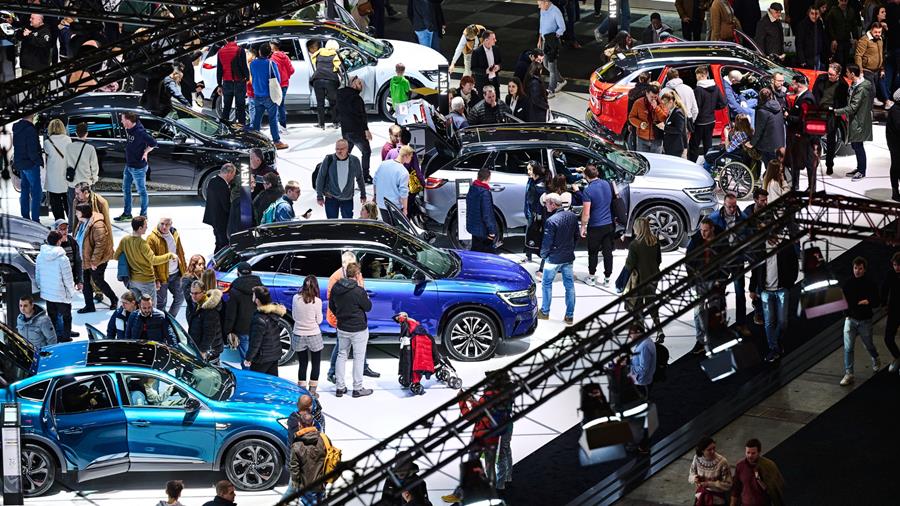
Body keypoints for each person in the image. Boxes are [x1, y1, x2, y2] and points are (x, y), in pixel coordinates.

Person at [326, 252, 379, 382]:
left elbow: (361, 290)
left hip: (355, 316)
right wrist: (340, 316)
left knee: (360, 344)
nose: (354, 267)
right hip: (341, 317)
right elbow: (331, 299)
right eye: (351, 264)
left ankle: (364, 368)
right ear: (344, 264)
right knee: (341, 347)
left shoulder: (356, 273)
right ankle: (332, 372)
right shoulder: (336, 277)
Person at [330, 262, 374, 397]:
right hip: (358, 329)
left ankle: (339, 387)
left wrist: (340, 315)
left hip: (342, 327)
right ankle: (357, 388)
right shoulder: (359, 291)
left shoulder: (336, 288)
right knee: (358, 358)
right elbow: (368, 307)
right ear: (356, 275)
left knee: (341, 355)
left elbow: (332, 306)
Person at [537, 193, 579, 325]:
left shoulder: (551, 221)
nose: (545, 206)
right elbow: (576, 236)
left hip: (553, 259)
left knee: (546, 284)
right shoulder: (572, 216)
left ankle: (544, 312)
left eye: (546, 203)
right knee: (569, 286)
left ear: (553, 204)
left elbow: (547, 242)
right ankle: (569, 316)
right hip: (568, 257)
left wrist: (543, 256)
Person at [621, 217, 664, 340]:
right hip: (653, 277)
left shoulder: (634, 245)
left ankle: (642, 333)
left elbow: (630, 265)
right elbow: (658, 260)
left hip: (639, 280)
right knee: (651, 304)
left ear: (638, 228)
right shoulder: (655, 241)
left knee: (637, 307)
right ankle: (659, 329)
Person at [840, 256, 882, 385]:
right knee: (848, 348)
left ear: (864, 270)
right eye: (855, 268)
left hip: (865, 320)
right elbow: (843, 301)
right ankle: (849, 373)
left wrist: (868, 301)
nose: (857, 271)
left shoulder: (871, 284)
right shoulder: (848, 284)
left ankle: (875, 358)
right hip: (850, 319)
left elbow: (877, 301)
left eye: (860, 268)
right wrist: (846, 315)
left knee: (868, 344)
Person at [686, 219, 725, 354]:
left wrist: (722, 278)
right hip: (700, 281)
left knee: (715, 311)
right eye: (701, 230)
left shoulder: (721, 240)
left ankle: (714, 339)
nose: (703, 233)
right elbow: (689, 261)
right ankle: (701, 340)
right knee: (698, 312)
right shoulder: (696, 241)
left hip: (715, 281)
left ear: (712, 229)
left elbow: (727, 260)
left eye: (706, 230)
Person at [115, 216, 175, 301]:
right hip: (146, 281)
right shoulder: (143, 244)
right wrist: (169, 255)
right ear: (140, 228)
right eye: (145, 225)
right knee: (150, 308)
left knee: (138, 308)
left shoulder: (124, 240)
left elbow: (116, 256)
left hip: (132, 281)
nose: (146, 227)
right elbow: (153, 260)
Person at [74, 203, 117, 313]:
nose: (76, 214)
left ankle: (113, 299)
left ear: (83, 213)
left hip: (97, 261)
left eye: (78, 212)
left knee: (98, 281)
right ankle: (89, 306)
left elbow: (100, 245)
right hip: (85, 258)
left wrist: (94, 261)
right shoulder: (83, 222)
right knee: (86, 283)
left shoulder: (98, 226)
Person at [114, 112, 156, 222]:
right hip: (129, 165)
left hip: (138, 168)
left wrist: (146, 152)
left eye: (123, 119)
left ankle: (144, 215)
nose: (121, 121)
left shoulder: (140, 132)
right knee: (126, 189)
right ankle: (127, 214)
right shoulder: (130, 128)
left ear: (128, 120)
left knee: (141, 191)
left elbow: (153, 143)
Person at [35, 231, 76, 343]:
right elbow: (68, 278)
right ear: (58, 241)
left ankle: (56, 337)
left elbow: (38, 275)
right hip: (61, 294)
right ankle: (66, 337)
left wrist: (41, 287)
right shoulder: (63, 258)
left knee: (52, 317)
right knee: (67, 316)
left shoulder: (40, 256)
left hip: (48, 293)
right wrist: (72, 291)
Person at [837, 64, 875, 181]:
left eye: (847, 72)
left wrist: (836, 111)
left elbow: (853, 107)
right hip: (855, 120)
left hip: (860, 121)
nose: (846, 74)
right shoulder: (856, 84)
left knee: (858, 146)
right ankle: (859, 168)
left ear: (853, 74)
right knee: (856, 145)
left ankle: (862, 171)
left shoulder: (862, 88)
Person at [580, 165, 615, 286]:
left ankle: (592, 277)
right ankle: (607, 279)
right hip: (609, 224)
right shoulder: (606, 184)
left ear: (586, 176)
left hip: (595, 226)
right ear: (597, 173)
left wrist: (583, 227)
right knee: (608, 253)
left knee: (593, 252)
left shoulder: (588, 191)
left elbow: (586, 213)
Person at [813, 63, 850, 175]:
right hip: (819, 112)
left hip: (832, 114)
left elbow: (843, 103)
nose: (829, 76)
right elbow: (815, 94)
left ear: (838, 74)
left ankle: (829, 165)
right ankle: (813, 162)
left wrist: (834, 110)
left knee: (830, 140)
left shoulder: (843, 85)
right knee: (814, 138)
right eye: (828, 73)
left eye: (832, 75)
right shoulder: (821, 78)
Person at [249, 42, 288, 149]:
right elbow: (278, 80)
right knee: (272, 119)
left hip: (257, 95)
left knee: (257, 118)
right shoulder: (271, 64)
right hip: (270, 96)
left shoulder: (252, 64)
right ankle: (276, 141)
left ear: (260, 52)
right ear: (269, 53)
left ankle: (255, 140)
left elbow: (252, 76)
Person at [146, 217, 187, 317]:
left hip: (176, 274)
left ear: (171, 224)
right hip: (162, 277)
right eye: (162, 224)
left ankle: (169, 321)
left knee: (180, 298)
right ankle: (160, 323)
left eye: (167, 224)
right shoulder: (151, 238)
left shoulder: (175, 235)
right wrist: (155, 279)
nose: (164, 227)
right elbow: (150, 261)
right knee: (161, 303)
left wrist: (184, 271)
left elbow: (180, 253)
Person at [316, 139, 367, 219]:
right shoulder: (329, 159)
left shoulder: (354, 160)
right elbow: (321, 177)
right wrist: (319, 196)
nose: (339, 151)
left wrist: (363, 194)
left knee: (347, 224)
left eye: (342, 149)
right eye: (337, 149)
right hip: (331, 197)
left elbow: (360, 178)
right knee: (332, 225)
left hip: (347, 198)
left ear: (347, 149)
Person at [337, 76, 374, 182]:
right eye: (359, 83)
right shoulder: (357, 98)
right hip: (357, 130)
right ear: (352, 84)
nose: (361, 86)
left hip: (345, 130)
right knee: (366, 152)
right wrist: (366, 130)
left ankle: (342, 174)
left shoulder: (340, 96)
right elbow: (361, 115)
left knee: (345, 153)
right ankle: (365, 176)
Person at [293, 275, 324, 396]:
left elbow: (295, 317)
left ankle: (302, 390)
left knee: (302, 363)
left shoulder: (296, 298)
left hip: (298, 334)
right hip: (313, 334)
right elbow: (319, 321)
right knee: (316, 363)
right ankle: (312, 391)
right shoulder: (317, 301)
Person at [244, 286, 285, 376]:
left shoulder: (259, 319)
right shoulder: (273, 313)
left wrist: (248, 358)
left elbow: (255, 342)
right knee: (272, 383)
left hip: (262, 359)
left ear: (257, 300)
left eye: (253, 296)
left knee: (257, 384)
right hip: (274, 355)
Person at [689, 66, 727, 162]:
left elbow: (696, 108)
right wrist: (713, 108)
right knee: (708, 144)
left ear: (702, 75)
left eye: (697, 76)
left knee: (694, 145)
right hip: (711, 120)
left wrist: (691, 120)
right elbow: (723, 103)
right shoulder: (716, 87)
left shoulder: (698, 90)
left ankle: (691, 164)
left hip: (699, 122)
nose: (696, 78)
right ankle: (708, 164)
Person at [288, 412, 327, 504]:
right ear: (313, 423)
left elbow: (294, 468)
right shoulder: (324, 439)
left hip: (306, 485)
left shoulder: (297, 445)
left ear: (299, 424)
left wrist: (295, 484)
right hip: (322, 482)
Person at [65, 122, 100, 220]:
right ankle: (86, 228)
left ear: (76, 133)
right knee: (87, 209)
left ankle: (72, 228)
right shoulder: (90, 148)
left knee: (72, 208)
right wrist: (94, 179)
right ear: (86, 133)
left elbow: (65, 164)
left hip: (72, 183)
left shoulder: (68, 147)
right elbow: (94, 166)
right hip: (86, 184)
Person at [12, 113, 42, 222]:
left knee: (25, 190)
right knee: (36, 192)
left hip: (21, 164)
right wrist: (38, 161)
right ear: (33, 115)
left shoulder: (17, 128)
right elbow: (32, 150)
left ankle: (25, 217)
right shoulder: (30, 129)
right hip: (30, 164)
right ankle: (35, 220)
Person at [856, 22, 893, 108]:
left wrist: (882, 69)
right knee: (871, 91)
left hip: (877, 70)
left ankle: (871, 110)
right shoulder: (864, 40)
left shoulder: (880, 40)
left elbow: (881, 54)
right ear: (871, 30)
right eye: (875, 32)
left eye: (879, 32)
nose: (877, 34)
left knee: (875, 90)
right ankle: (868, 113)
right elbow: (858, 56)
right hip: (866, 70)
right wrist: (860, 71)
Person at [747, 88, 786, 168]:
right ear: (771, 96)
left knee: (769, 167)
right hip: (779, 142)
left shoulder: (762, 111)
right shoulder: (778, 106)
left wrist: (752, 143)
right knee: (777, 166)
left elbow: (759, 131)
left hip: (768, 145)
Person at [217, 35, 250, 126]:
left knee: (226, 107)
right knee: (240, 107)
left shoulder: (220, 52)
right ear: (235, 38)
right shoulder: (240, 50)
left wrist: (219, 84)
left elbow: (219, 70)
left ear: (226, 39)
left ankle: (224, 128)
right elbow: (244, 66)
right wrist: (247, 78)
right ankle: (241, 128)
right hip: (239, 81)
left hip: (227, 82)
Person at [187, 281, 224, 363]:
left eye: (196, 293)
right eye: (192, 293)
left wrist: (203, 350)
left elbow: (210, 333)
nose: (193, 296)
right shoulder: (196, 304)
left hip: (209, 350)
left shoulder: (210, 310)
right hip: (200, 346)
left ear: (203, 292)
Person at [689, 437, 733, 505]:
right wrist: (695, 478)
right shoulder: (697, 458)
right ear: (702, 451)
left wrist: (710, 484)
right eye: (709, 450)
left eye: (714, 448)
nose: (713, 451)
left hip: (717, 500)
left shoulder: (722, 462)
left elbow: (728, 484)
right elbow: (691, 473)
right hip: (701, 497)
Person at [43, 119, 72, 220]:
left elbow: (47, 155)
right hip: (65, 174)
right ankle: (70, 221)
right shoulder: (68, 140)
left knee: (55, 201)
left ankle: (60, 222)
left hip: (53, 175)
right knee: (67, 200)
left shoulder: (47, 142)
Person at [52, 221, 84, 313]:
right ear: (56, 230)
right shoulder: (53, 243)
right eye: (61, 229)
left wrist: (79, 280)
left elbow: (78, 262)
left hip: (69, 278)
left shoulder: (72, 241)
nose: (64, 231)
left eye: (65, 229)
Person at [203, 163, 236, 253]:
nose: (233, 178)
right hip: (221, 220)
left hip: (214, 218)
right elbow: (226, 206)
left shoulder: (212, 181)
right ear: (229, 173)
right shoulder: (222, 186)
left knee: (218, 242)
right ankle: (218, 262)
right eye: (233, 175)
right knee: (223, 244)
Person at [373, 146, 411, 221]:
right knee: (400, 230)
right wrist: (405, 209)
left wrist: (375, 195)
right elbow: (404, 193)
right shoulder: (404, 172)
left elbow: (375, 181)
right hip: (394, 206)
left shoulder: (383, 164)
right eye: (411, 156)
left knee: (387, 227)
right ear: (406, 156)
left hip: (381, 203)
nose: (411, 158)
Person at [466, 167, 498, 254]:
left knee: (475, 252)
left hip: (474, 228)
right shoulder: (485, 193)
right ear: (488, 178)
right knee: (487, 256)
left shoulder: (472, 188)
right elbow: (487, 214)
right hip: (483, 231)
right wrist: (492, 231)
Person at [628, 84, 667, 154]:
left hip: (657, 139)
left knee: (656, 161)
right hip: (642, 138)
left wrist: (656, 108)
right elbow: (631, 117)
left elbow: (664, 119)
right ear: (647, 93)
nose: (653, 99)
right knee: (642, 161)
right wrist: (640, 124)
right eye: (651, 96)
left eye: (655, 97)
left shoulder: (661, 103)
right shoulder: (638, 103)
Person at [538, 0, 566, 94]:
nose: (539, 6)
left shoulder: (556, 11)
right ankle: (561, 80)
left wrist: (554, 37)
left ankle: (551, 89)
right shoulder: (542, 10)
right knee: (545, 64)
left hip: (553, 42)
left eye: (540, 4)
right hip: (545, 41)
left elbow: (562, 27)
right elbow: (541, 24)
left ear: (546, 2)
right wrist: (540, 39)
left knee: (551, 65)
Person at [524, 162, 548, 263]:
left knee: (539, 236)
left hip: (538, 214)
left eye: (530, 169)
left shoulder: (541, 184)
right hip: (530, 212)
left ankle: (542, 258)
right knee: (529, 234)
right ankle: (528, 255)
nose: (528, 172)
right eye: (527, 169)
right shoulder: (530, 181)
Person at [270, 38, 295, 131]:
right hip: (285, 84)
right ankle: (283, 126)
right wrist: (286, 76)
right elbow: (292, 70)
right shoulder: (285, 57)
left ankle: (276, 127)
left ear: (273, 46)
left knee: (275, 104)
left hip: (276, 84)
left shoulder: (272, 58)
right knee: (281, 105)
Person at [826, 0, 861, 66]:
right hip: (837, 41)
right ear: (838, 0)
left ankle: (844, 74)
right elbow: (830, 27)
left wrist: (856, 37)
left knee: (846, 60)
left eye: (845, 1)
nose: (844, 3)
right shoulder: (833, 11)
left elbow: (854, 25)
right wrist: (833, 39)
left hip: (847, 40)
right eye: (842, 0)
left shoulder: (851, 11)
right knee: (839, 60)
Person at [796, 6, 828, 70]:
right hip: (807, 58)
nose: (814, 16)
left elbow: (823, 39)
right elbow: (799, 43)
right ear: (808, 13)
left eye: (816, 14)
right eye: (812, 13)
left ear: (819, 14)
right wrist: (802, 60)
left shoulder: (819, 23)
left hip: (819, 56)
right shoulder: (802, 25)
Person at [661, 90, 688, 157]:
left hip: (676, 147)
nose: (664, 106)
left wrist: (664, 127)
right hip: (672, 146)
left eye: (665, 104)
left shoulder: (677, 112)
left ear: (671, 102)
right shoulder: (672, 112)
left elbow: (679, 130)